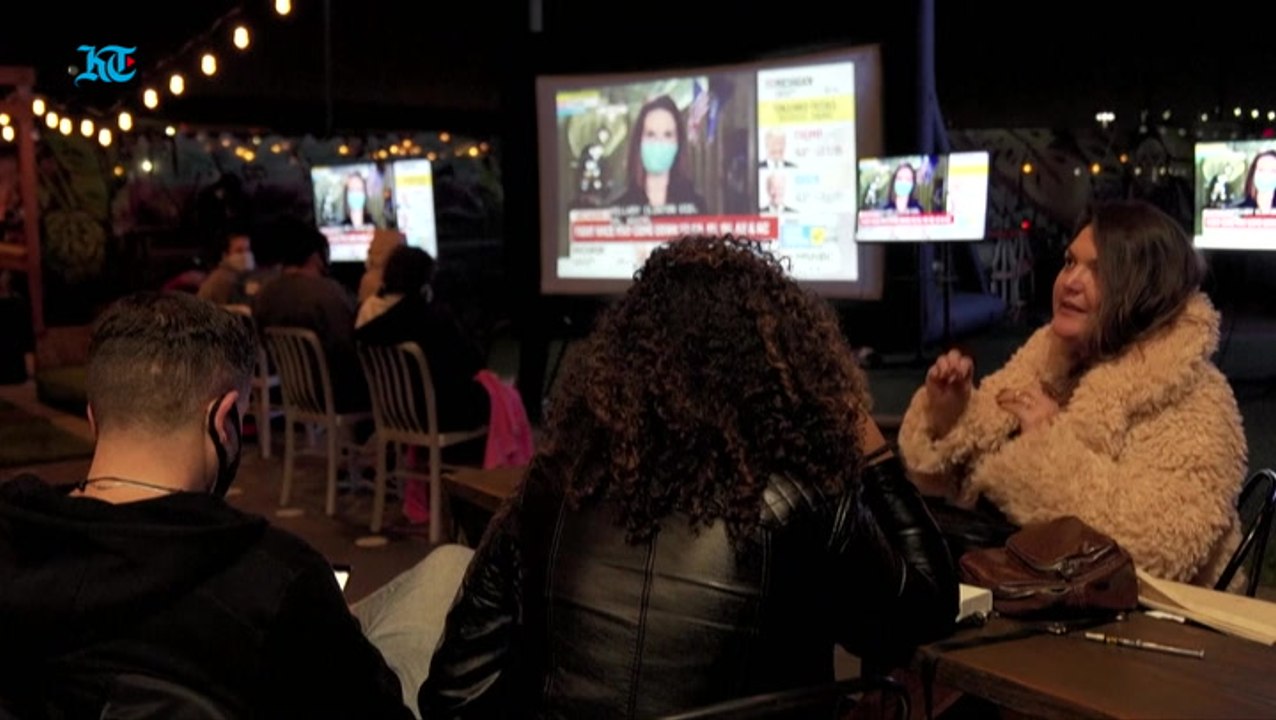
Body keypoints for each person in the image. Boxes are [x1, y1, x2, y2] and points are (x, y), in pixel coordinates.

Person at [419, 235, 958, 718]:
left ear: (623, 360)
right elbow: (928, 609)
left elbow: (452, 693)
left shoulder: (556, 482)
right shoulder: (803, 500)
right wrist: (877, 460)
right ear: (786, 363)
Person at [0, 292, 411, 718]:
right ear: (224, 421)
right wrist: (328, 620)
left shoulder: (13, 539)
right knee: (437, 577)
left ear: (93, 417)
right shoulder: (276, 578)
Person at [898, 200, 1247, 586]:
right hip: (1034, 593)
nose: (1070, 282)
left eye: (1097, 271)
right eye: (1069, 262)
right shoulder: (1046, 356)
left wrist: (1050, 445)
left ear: (1143, 289)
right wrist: (949, 416)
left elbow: (1156, 550)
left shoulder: (1197, 400)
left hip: (1155, 626)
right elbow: (964, 478)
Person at [355, 245, 489, 440]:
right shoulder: (432, 321)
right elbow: (470, 363)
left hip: (386, 412)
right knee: (499, 395)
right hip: (434, 414)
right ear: (425, 285)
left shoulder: (369, 316)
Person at [253, 216, 370, 414]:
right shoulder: (328, 293)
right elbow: (347, 343)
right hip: (333, 393)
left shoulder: (264, 293)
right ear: (316, 257)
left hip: (289, 390)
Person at [611, 95, 706, 214]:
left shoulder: (696, 205)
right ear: (639, 142)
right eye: (651, 135)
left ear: (678, 143)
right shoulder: (619, 208)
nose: (659, 143)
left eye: (667, 135)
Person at [197, 230, 255, 305]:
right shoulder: (222, 278)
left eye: (247, 249)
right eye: (239, 251)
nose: (245, 255)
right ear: (226, 255)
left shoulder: (242, 275)